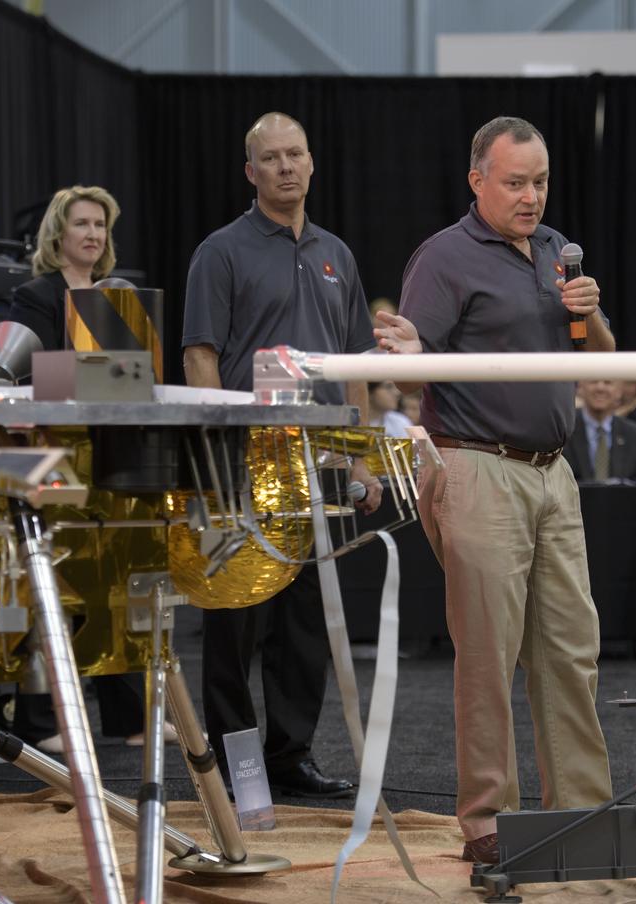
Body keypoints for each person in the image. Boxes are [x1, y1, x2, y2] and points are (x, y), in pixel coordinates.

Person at [374, 115, 614, 864]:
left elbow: (604, 361)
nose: (532, 196)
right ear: (478, 179)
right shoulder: (445, 257)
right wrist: (412, 348)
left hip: (554, 472)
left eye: (540, 181)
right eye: (516, 182)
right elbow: (410, 352)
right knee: (488, 652)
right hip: (477, 465)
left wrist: (591, 313)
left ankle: (582, 810)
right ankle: (487, 821)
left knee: (572, 649)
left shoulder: (555, 253)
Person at [181, 111, 381, 798]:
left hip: (320, 466)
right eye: (272, 158)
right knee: (235, 623)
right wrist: (217, 458)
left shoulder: (338, 255)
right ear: (251, 171)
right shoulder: (221, 251)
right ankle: (237, 766)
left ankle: (289, 756)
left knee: (304, 629)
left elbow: (354, 363)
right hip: (246, 463)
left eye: (296, 153)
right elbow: (201, 355)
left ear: (312, 162)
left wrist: (362, 458)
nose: (286, 166)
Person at [4, 185, 119, 349]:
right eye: (81, 224)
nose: (93, 235)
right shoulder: (34, 297)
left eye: (100, 225)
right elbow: (38, 371)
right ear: (58, 233)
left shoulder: (116, 294)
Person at [565, 380, 636, 481]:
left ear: (619, 391)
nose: (600, 388)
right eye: (593, 381)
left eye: (608, 383)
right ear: (580, 387)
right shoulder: (562, 432)